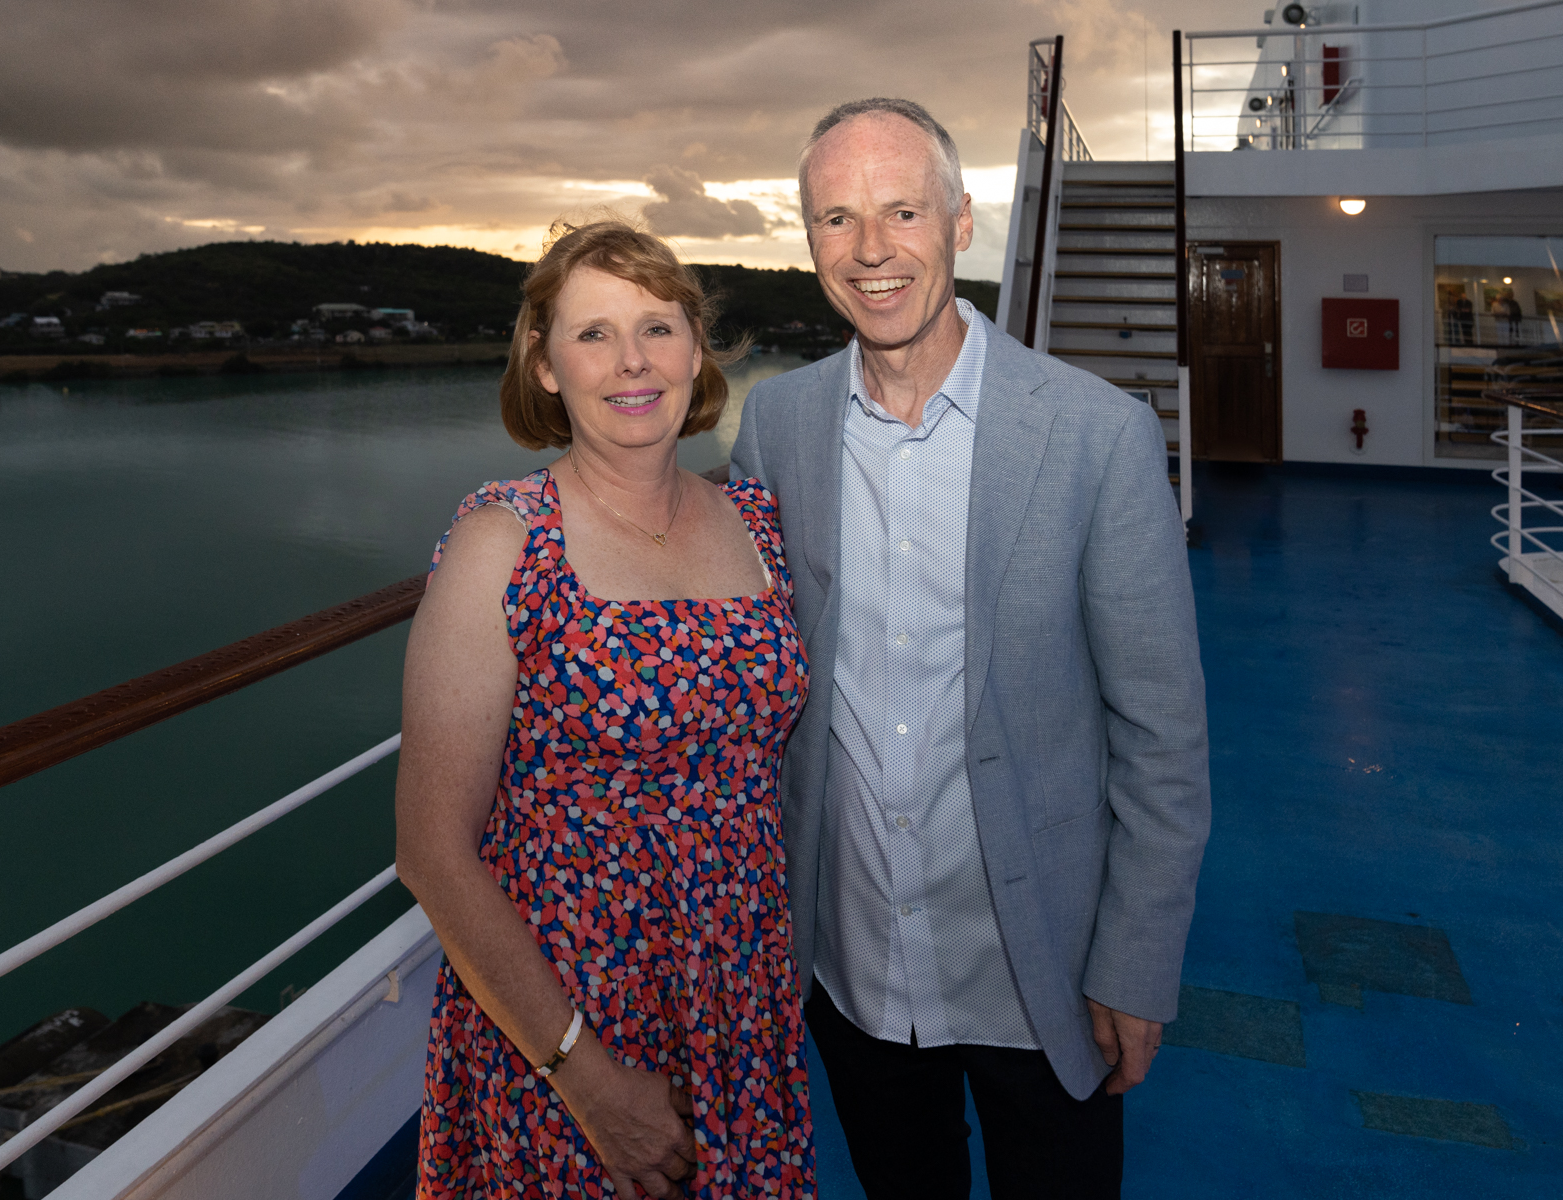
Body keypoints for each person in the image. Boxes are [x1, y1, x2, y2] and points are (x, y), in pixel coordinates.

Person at [729, 98, 1211, 1198]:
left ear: (961, 220)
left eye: (902, 210)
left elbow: (1162, 735)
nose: (870, 251)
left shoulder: (1097, 435)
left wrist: (1135, 966)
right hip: (851, 967)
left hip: (1040, 975)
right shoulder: (779, 427)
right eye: (835, 219)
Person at [396, 220, 813, 1200]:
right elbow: (431, 849)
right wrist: (587, 1080)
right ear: (543, 366)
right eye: (592, 334)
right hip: (563, 1016)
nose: (632, 362)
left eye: (658, 327)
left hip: (737, 1002)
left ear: (697, 352)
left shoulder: (759, 523)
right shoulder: (505, 545)